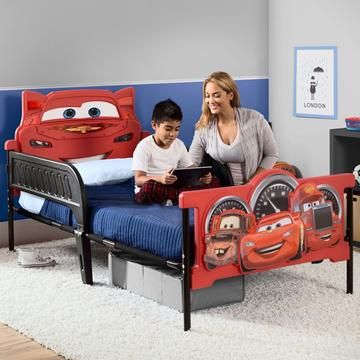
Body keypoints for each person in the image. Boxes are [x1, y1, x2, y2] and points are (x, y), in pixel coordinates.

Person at [189, 71, 279, 185]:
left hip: (254, 188)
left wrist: (252, 184)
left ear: (230, 95)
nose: (210, 101)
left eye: (216, 95)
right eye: (207, 96)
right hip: (220, 193)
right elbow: (191, 164)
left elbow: (272, 154)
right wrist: (199, 176)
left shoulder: (255, 119)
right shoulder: (203, 127)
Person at [132, 98, 219, 205]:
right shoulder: (143, 147)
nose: (173, 134)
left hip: (173, 186)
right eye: (168, 129)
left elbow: (190, 169)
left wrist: (202, 176)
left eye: (177, 129)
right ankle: (185, 197)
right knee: (150, 187)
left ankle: (174, 198)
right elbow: (139, 179)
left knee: (214, 180)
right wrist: (160, 178)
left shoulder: (179, 144)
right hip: (154, 185)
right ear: (154, 125)